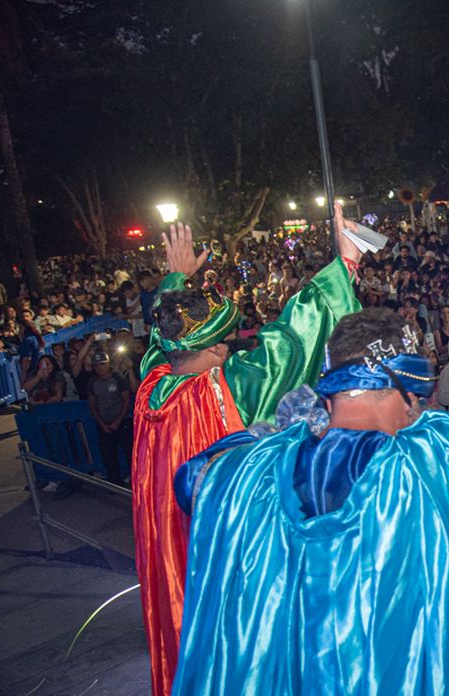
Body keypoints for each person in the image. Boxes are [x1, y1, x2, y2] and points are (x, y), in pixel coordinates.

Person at [170, 263, 449, 695]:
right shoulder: (436, 463)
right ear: (408, 392)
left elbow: (193, 479)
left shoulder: (254, 471)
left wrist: (286, 431)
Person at [133, 210, 363, 696]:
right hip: (217, 549)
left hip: (166, 546)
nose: (235, 349)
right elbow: (292, 343)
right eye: (229, 342)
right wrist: (345, 263)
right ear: (216, 349)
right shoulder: (227, 387)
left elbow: (161, 338)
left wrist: (178, 280)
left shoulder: (151, 384)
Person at [87, 351, 132, 487]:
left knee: (130, 452)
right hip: (104, 424)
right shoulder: (93, 382)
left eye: (102, 364)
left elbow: (126, 401)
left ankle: (135, 480)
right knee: (108, 456)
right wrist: (102, 424)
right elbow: (93, 404)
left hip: (122, 422)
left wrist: (118, 421)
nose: (100, 368)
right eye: (96, 365)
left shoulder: (119, 379)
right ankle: (115, 482)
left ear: (108, 364)